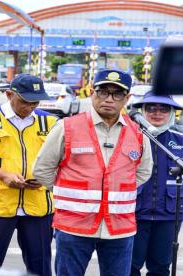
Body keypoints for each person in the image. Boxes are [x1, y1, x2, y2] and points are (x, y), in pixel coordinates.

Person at [33, 69, 153, 276]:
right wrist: (66, 190)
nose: (109, 99)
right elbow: (42, 169)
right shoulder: (67, 127)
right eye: (103, 92)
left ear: (127, 98)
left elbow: (143, 172)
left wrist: (116, 189)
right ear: (92, 93)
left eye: (117, 94)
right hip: (73, 226)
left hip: (119, 228)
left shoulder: (138, 133)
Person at [0, 73, 57, 276]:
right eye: (25, 101)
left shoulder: (49, 122)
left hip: (38, 205)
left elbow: (60, 159)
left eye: (35, 102)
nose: (30, 107)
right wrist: (4, 175)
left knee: (40, 266)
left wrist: (44, 178)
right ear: (8, 94)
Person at [130, 92, 183, 276]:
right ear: (142, 111)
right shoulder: (129, 137)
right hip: (133, 215)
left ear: (172, 113)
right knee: (129, 267)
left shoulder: (180, 140)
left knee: (160, 268)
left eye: (164, 108)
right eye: (151, 108)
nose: (157, 113)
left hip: (169, 218)